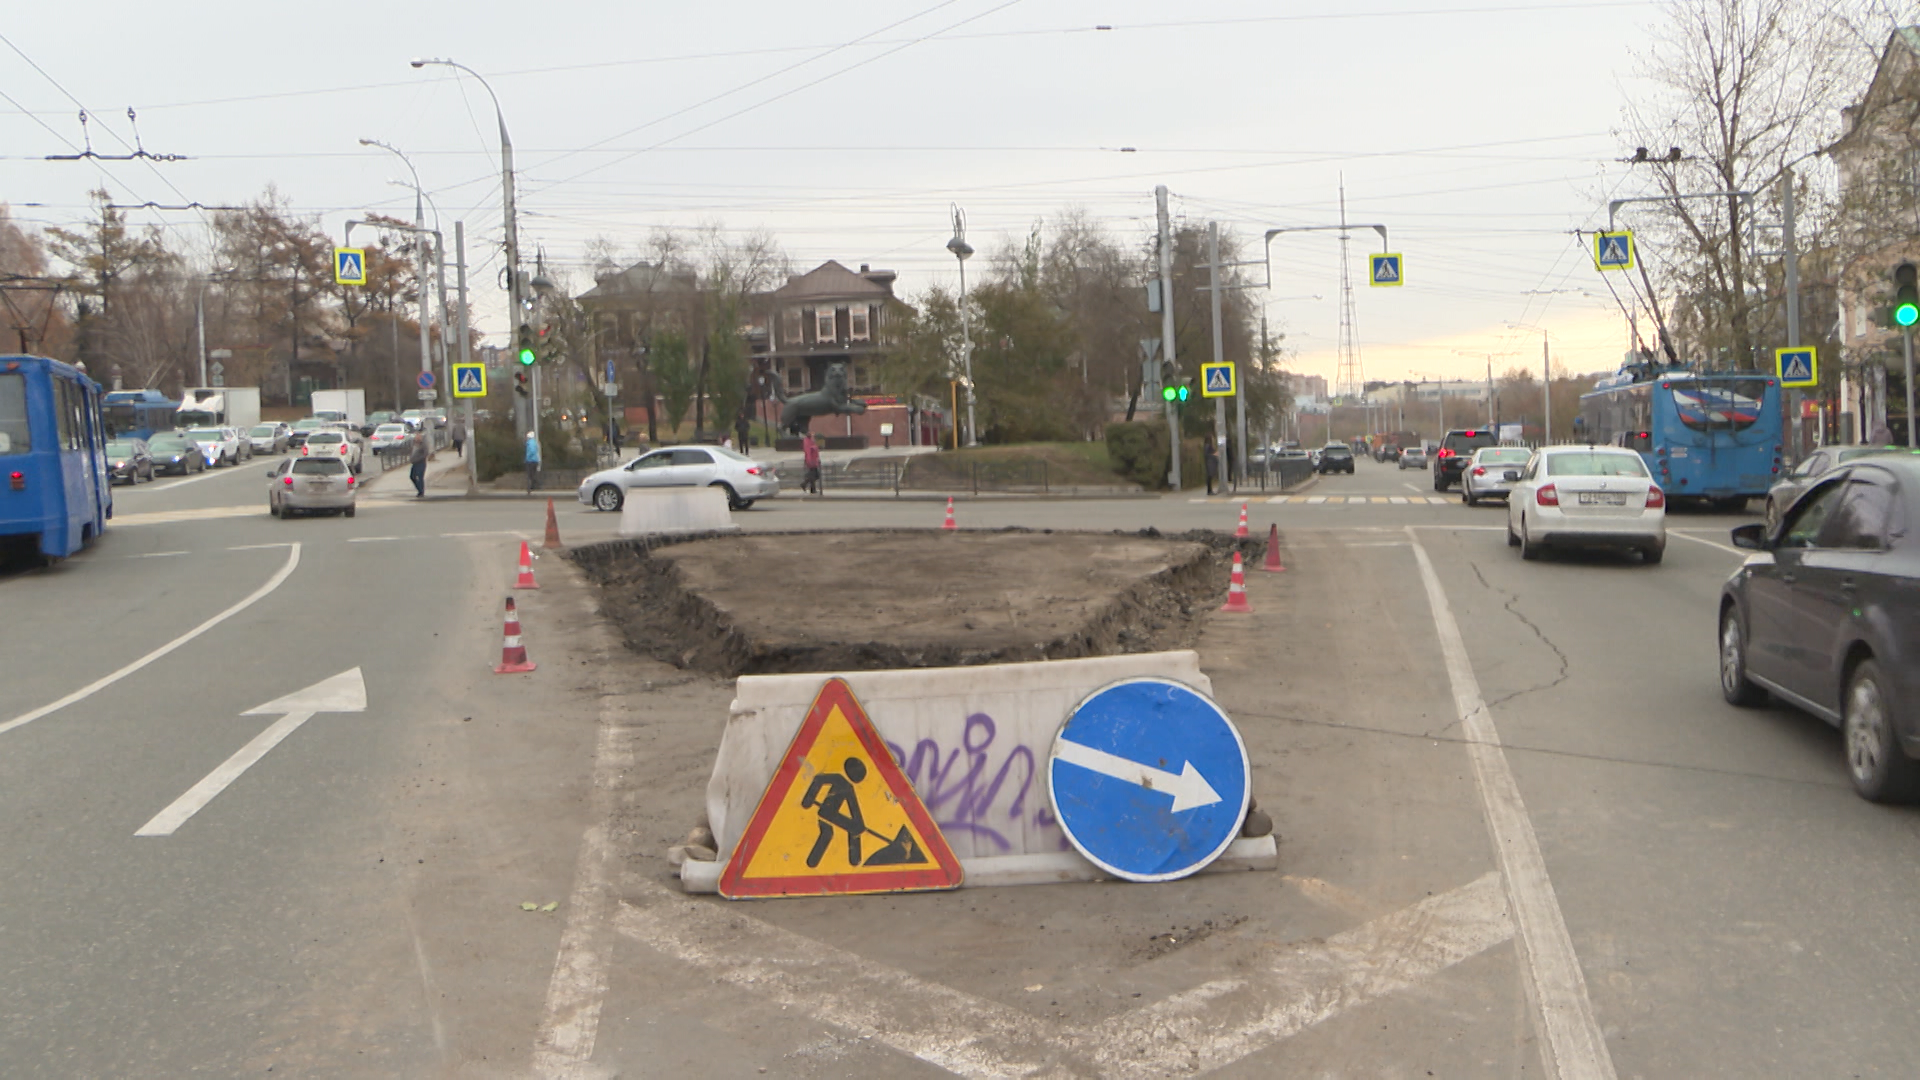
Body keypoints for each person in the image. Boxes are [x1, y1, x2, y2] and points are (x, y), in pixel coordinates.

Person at [408, 431, 428, 498]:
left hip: (421, 463)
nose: (417, 438)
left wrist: (418, 459)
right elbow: (411, 452)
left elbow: (425, 454)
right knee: (412, 476)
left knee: (420, 477)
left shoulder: (423, 445)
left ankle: (421, 492)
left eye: (418, 437)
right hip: (414, 463)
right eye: (416, 436)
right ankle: (419, 489)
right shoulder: (413, 444)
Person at [802, 431, 822, 495]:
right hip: (812, 461)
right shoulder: (807, 442)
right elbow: (809, 452)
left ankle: (809, 487)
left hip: (813, 461)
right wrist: (810, 461)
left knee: (814, 476)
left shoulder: (810, 441)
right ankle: (806, 485)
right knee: (815, 475)